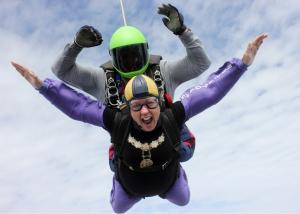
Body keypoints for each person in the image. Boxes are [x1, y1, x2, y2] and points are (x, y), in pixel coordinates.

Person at [12, 33, 268, 213]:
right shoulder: (117, 120)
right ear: (127, 108)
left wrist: (241, 64)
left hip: (168, 179)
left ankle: (177, 165)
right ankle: (120, 171)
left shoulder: (172, 114)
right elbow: (78, 107)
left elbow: (209, 92)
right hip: (129, 183)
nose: (145, 112)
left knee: (184, 199)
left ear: (160, 102)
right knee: (118, 208)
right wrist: (43, 86)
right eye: (137, 107)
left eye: (151, 105)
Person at [51, 3, 211, 167]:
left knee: (184, 153)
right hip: (128, 143)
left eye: (136, 55)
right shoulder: (102, 79)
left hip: (169, 136)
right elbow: (61, 71)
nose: (132, 62)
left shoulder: (163, 71)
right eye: (124, 57)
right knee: (119, 166)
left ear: (145, 52)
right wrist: (75, 46)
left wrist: (182, 31)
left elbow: (200, 63)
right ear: (114, 59)